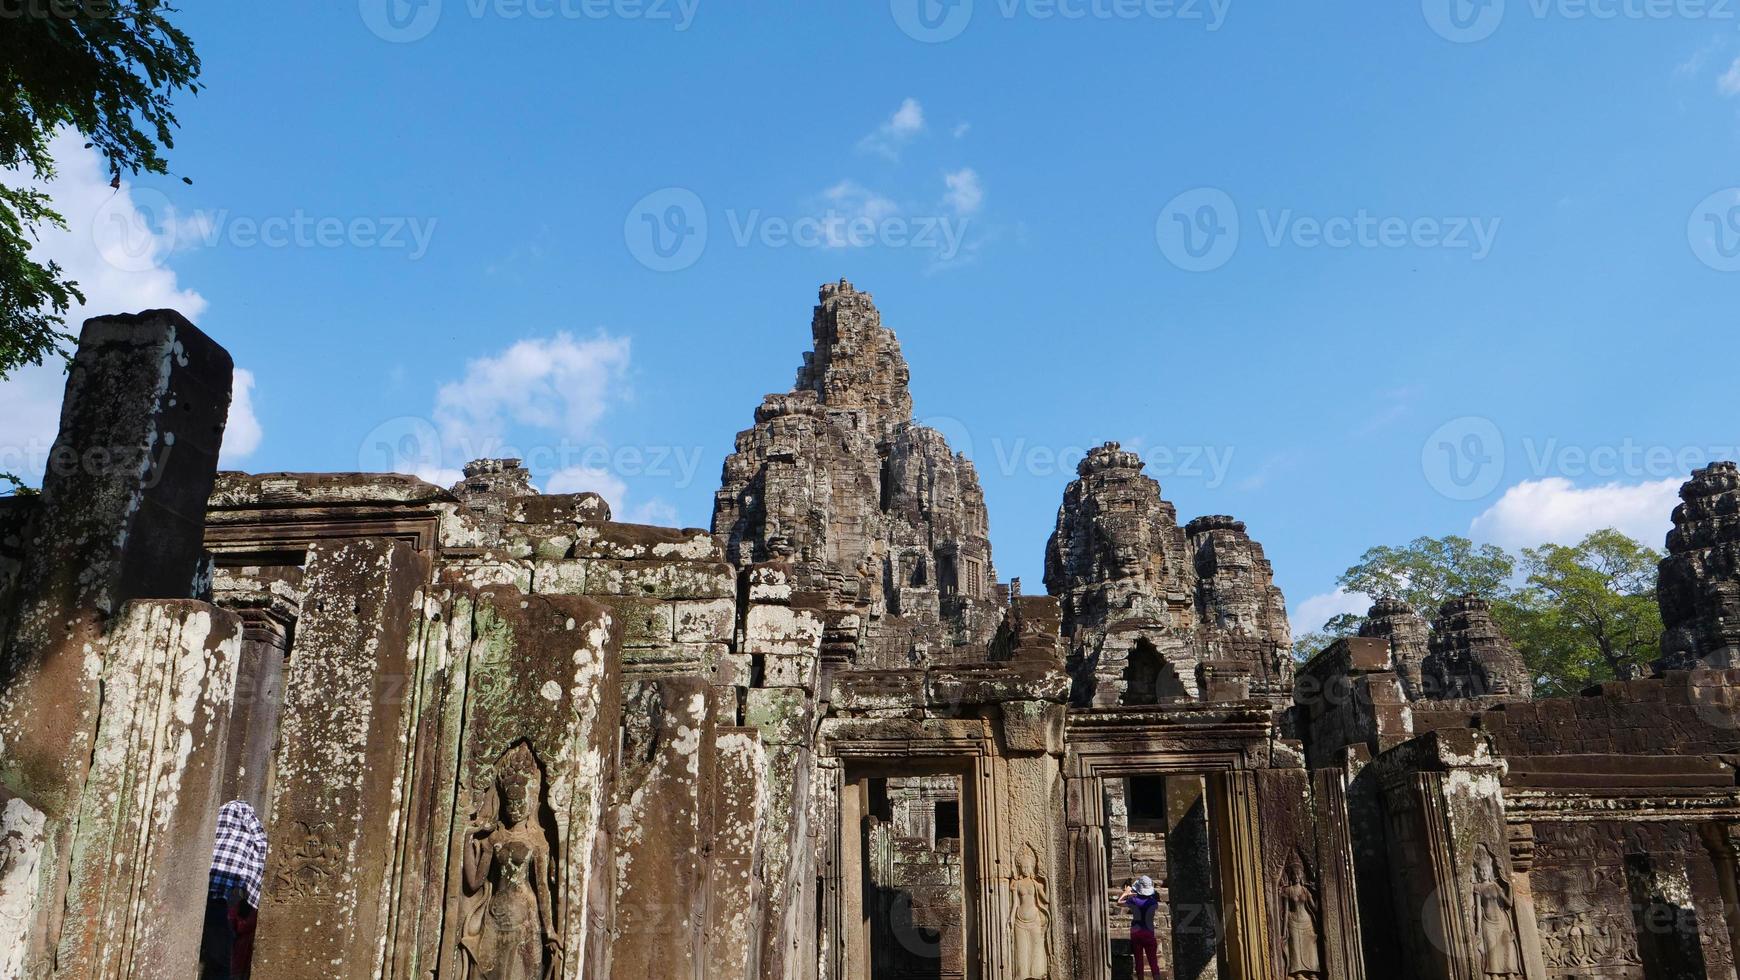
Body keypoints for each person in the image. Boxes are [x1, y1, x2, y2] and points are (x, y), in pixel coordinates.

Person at [200, 800, 268, 980]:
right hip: (225, 908)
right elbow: (256, 872)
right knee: (221, 963)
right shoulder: (249, 840)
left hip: (209, 904)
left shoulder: (212, 834)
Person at [1117, 875, 1163, 980]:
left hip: (1136, 933)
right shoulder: (1153, 902)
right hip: (1149, 933)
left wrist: (1126, 893)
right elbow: (1149, 899)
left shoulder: (1133, 900)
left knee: (1139, 961)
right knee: (1153, 963)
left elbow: (1119, 902)